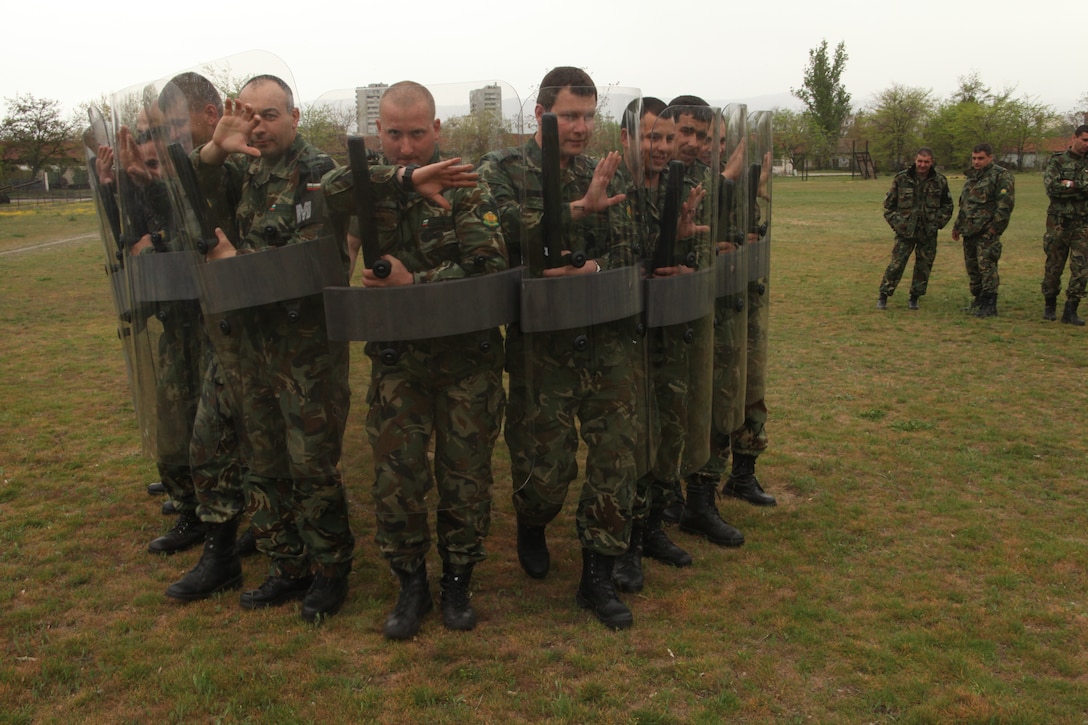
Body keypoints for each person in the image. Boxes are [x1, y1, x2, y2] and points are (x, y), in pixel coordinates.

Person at [173, 74, 355, 622]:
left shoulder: (319, 174)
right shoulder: (245, 168)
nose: (258, 125)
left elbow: (311, 263)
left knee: (311, 464)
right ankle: (286, 563)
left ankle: (329, 569)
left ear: (294, 118)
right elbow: (191, 205)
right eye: (248, 114)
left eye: (270, 115)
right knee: (265, 461)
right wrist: (211, 150)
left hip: (306, 351)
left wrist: (238, 267)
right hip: (254, 347)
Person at [336, 81, 509, 638]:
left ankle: (457, 580)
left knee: (465, 478)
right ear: (378, 133)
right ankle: (410, 582)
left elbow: (486, 268)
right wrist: (400, 179)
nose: (406, 147)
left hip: (466, 362)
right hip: (398, 362)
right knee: (397, 477)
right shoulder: (373, 188)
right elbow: (327, 188)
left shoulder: (466, 186)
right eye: (393, 134)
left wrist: (417, 283)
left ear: (437, 130)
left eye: (416, 134)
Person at [478, 67, 641, 630]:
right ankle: (533, 519)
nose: (581, 127)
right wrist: (574, 213)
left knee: (616, 455)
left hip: (605, 338)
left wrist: (595, 266)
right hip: (541, 348)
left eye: (589, 116)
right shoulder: (502, 170)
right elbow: (493, 235)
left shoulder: (602, 173)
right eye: (570, 115)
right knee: (544, 470)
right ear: (541, 114)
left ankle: (598, 572)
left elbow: (627, 249)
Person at [611, 97, 704, 593]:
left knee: (668, 431)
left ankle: (652, 529)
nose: (662, 147)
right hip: (622, 340)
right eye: (651, 137)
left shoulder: (682, 187)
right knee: (630, 444)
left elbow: (698, 258)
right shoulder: (611, 190)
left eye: (668, 138)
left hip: (669, 335)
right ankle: (624, 541)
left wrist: (687, 259)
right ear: (627, 138)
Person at [877, 148, 954, 310]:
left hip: (928, 231)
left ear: (932, 162)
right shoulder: (902, 179)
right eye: (920, 161)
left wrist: (937, 223)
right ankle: (884, 295)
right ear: (915, 160)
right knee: (896, 265)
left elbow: (947, 205)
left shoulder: (939, 181)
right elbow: (889, 207)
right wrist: (898, 223)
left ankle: (915, 297)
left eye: (926, 162)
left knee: (924, 266)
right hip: (905, 230)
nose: (922, 165)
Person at [951, 143, 1015, 318]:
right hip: (969, 230)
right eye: (974, 158)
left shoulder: (1001, 176)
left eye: (980, 158)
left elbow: (1005, 206)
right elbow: (965, 204)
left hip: (987, 231)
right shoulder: (972, 177)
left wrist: (994, 229)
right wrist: (958, 225)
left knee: (987, 268)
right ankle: (978, 300)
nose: (976, 162)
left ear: (990, 158)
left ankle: (989, 304)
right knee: (973, 268)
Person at [1041, 125, 1088, 325]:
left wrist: (1069, 184)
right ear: (1074, 138)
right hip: (1058, 222)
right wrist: (1081, 186)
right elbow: (1052, 188)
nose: (1087, 144)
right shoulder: (1058, 161)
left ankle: (1071, 308)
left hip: (1083, 223)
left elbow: (1063, 187)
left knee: (1081, 267)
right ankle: (1050, 304)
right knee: (1054, 266)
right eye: (1084, 140)